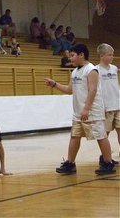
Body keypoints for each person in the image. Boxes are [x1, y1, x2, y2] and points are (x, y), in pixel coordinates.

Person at [45, 43, 116, 175]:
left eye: (72, 55)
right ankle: (70, 163)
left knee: (101, 136)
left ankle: (108, 162)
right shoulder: (75, 72)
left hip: (92, 111)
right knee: (74, 136)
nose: (70, 58)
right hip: (78, 112)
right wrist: (54, 84)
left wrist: (86, 108)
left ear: (81, 55)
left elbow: (93, 90)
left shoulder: (91, 70)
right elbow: (69, 90)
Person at [96, 43, 119, 165]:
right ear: (101, 55)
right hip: (106, 107)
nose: (112, 57)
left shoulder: (114, 68)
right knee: (105, 133)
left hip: (118, 105)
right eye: (109, 55)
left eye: (112, 55)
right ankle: (105, 157)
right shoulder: (96, 70)